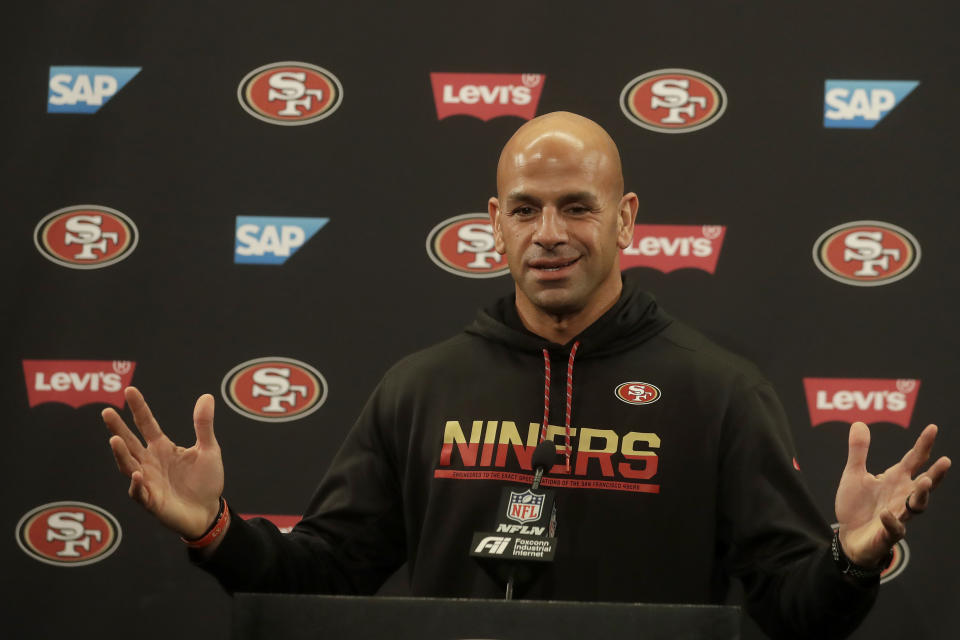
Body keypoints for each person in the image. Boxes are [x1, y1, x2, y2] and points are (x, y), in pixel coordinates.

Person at [102, 112, 950, 639]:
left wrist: (851, 558)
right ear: (493, 225)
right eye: (525, 209)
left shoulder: (719, 392)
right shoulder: (420, 387)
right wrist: (213, 528)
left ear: (625, 221)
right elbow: (320, 581)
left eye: (577, 206)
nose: (550, 232)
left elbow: (794, 613)